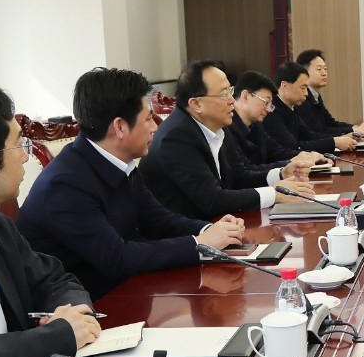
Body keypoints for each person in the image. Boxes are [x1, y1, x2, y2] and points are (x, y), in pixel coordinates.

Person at [18, 69, 245, 299]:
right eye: (148, 118)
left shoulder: (118, 161)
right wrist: (200, 244)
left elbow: (158, 220)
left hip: (128, 290)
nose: (155, 127)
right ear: (120, 127)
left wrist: (210, 230)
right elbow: (117, 258)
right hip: (88, 306)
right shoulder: (64, 185)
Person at [0, 86, 100, 357]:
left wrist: (73, 313)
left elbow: (55, 279)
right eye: (18, 145)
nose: (25, 158)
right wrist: (58, 335)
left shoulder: (1, 226)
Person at [140, 61, 314, 221]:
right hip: (186, 234)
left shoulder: (218, 126)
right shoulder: (176, 138)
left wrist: (281, 174)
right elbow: (213, 200)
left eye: (230, 91)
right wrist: (274, 194)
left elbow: (239, 176)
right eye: (224, 94)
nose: (232, 100)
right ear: (197, 104)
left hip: (218, 225)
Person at [229, 71, 324, 172]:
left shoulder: (256, 126)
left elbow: (276, 152)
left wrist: (307, 156)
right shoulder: (228, 128)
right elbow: (245, 171)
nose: (269, 109)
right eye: (266, 102)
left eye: (270, 105)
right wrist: (290, 163)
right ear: (246, 97)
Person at [262, 61, 357, 155]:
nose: (306, 93)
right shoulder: (272, 112)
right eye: (303, 88)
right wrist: (334, 142)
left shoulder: (292, 107)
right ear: (285, 86)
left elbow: (310, 136)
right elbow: (293, 147)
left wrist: (340, 138)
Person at [295, 49, 364, 136]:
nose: (324, 73)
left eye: (325, 69)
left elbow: (331, 123)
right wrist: (353, 130)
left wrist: (355, 127)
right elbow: (319, 130)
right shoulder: (302, 98)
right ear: (304, 72)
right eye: (319, 69)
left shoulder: (315, 95)